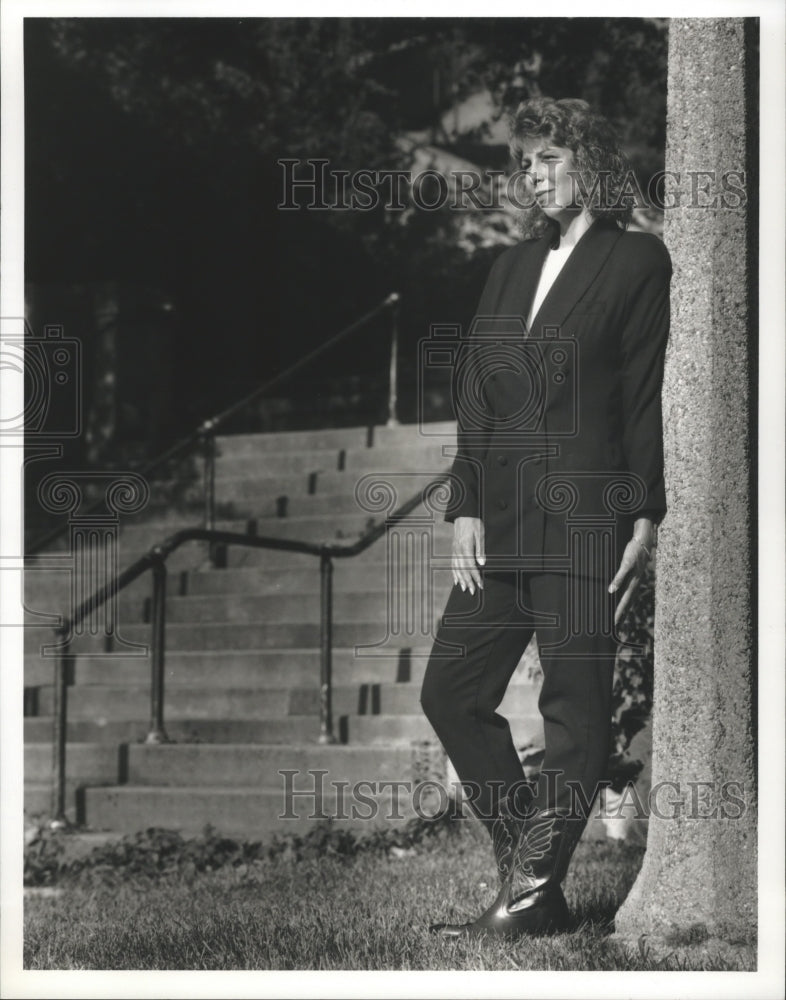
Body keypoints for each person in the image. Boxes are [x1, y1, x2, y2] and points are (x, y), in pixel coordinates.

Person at [420, 97, 671, 938]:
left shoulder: (637, 260)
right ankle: (531, 880)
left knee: (575, 712)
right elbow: (477, 396)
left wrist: (645, 512)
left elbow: (640, 394)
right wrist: (463, 507)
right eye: (525, 161)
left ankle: (527, 896)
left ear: (591, 158)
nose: (534, 173)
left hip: (588, 512)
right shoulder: (509, 267)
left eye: (550, 155)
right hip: (500, 516)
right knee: (450, 691)